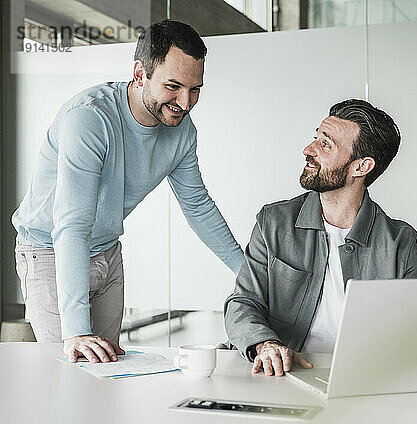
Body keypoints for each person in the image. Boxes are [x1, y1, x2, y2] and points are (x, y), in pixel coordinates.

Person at [224, 99, 417, 386]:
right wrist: (266, 344)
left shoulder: (400, 242)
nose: (309, 150)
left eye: (326, 144)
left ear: (361, 166)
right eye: (315, 138)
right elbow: (243, 303)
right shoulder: (274, 222)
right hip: (283, 378)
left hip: (368, 382)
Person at [12, 20, 244, 364]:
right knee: (69, 371)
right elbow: (73, 224)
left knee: (110, 374)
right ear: (140, 73)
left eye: (195, 89)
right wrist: (75, 331)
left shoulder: (181, 132)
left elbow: (197, 206)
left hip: (107, 254)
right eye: (173, 86)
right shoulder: (90, 119)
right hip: (51, 253)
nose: (185, 102)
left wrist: (248, 273)